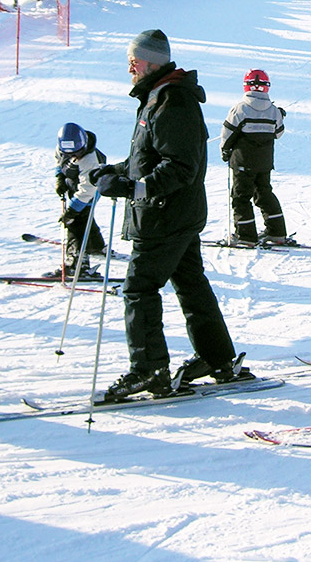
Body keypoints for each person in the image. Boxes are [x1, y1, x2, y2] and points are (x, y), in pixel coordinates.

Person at [91, 29, 251, 399]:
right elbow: (147, 158)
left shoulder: (172, 101)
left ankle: (149, 369)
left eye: (134, 60)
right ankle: (218, 358)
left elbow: (180, 166)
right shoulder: (158, 97)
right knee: (190, 282)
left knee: (138, 288)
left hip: (164, 215)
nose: (129, 67)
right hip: (173, 214)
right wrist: (114, 172)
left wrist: (132, 188)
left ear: (152, 62)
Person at [220, 69, 292, 246]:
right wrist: (278, 117)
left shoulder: (240, 108)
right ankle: (277, 232)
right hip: (264, 163)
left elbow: (228, 132)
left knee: (241, 197)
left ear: (246, 86)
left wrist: (225, 151)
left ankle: (245, 235)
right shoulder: (274, 111)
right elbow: (279, 133)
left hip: (243, 162)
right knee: (264, 194)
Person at [52, 122, 108, 279]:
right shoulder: (64, 149)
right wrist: (60, 178)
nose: (74, 157)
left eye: (77, 153)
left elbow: (87, 190)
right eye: (69, 154)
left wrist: (72, 211)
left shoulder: (90, 159)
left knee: (76, 223)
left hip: (89, 192)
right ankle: (96, 246)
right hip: (75, 186)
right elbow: (59, 160)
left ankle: (77, 264)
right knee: (85, 218)